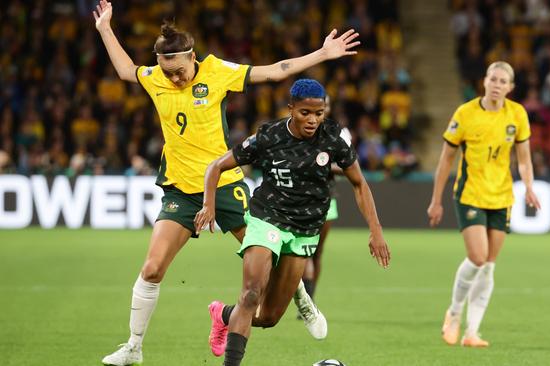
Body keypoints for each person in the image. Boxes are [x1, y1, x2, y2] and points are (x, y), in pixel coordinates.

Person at [93, 1, 361, 365]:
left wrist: (323, 53)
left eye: (178, 71)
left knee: (275, 252)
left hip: (226, 184)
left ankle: (304, 300)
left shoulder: (216, 71)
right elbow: (126, 70)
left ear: (193, 58)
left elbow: (273, 72)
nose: (173, 78)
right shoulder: (155, 77)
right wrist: (105, 27)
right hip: (182, 190)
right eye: (166, 72)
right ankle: (134, 347)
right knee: (152, 268)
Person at [194, 79, 391, 366]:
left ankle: (223, 314)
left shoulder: (334, 138)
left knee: (268, 317)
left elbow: (359, 184)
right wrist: (208, 205)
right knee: (250, 295)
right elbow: (216, 167)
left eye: (319, 113)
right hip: (267, 219)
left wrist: (376, 231)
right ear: (291, 109)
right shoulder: (269, 136)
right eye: (305, 113)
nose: (313, 120)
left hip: (304, 230)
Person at [427, 61, 541, 347]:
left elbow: (524, 159)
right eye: (493, 79)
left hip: (502, 196)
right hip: (470, 194)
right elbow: (446, 160)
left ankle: (472, 332)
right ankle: (453, 314)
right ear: (484, 81)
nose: (497, 85)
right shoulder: (465, 114)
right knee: (478, 257)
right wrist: (435, 200)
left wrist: (528, 186)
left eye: (503, 81)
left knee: (489, 265)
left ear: (510, 87)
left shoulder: (517, 114)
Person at [300, 95, 352, 303]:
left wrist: (322, 164)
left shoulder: (339, 134)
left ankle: (309, 299)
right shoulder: (302, 130)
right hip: (301, 197)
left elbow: (349, 166)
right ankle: (302, 299)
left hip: (327, 196)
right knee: (303, 250)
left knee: (317, 252)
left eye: (325, 105)